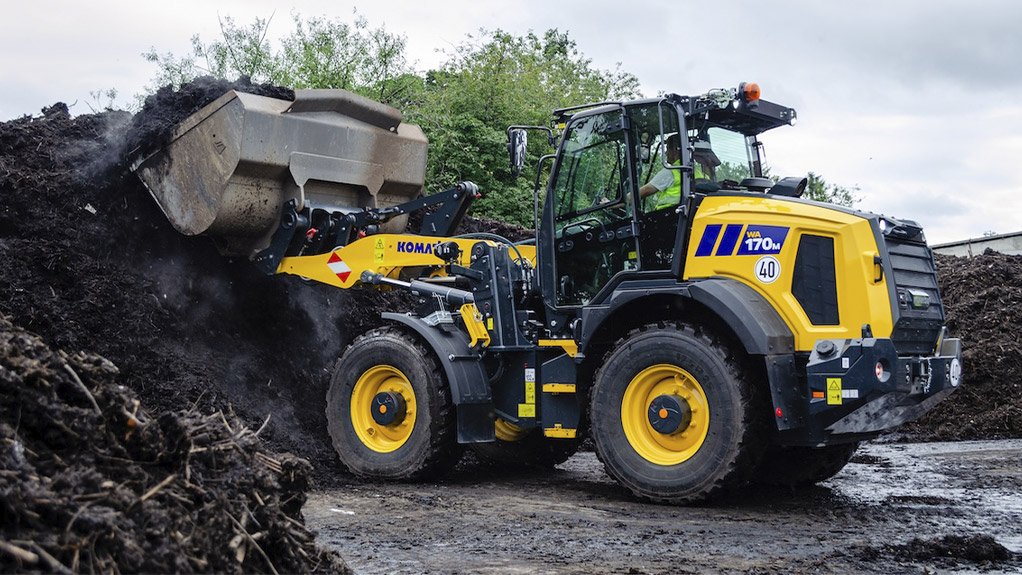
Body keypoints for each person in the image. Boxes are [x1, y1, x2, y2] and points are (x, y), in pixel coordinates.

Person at [638, 134, 709, 210]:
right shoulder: (699, 173)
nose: (665, 153)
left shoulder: (671, 172)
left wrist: (626, 199)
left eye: (667, 148)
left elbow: (645, 191)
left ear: (675, 150)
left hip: (670, 216)